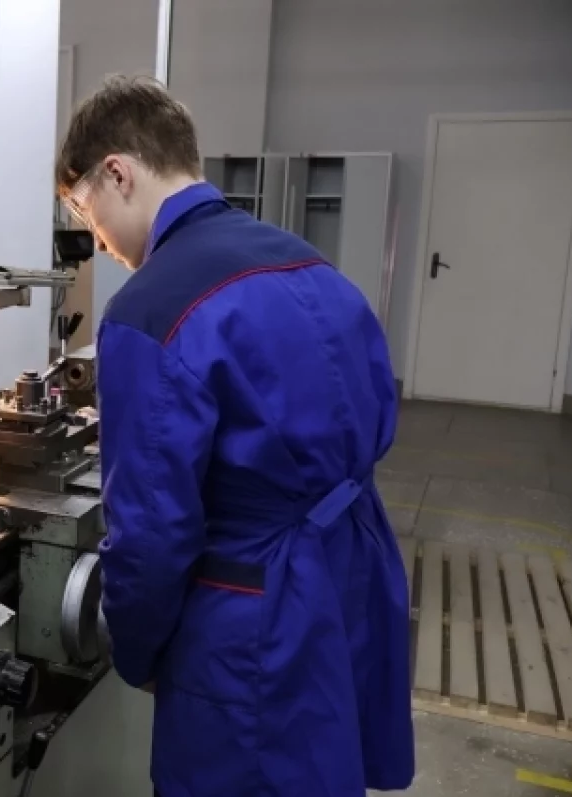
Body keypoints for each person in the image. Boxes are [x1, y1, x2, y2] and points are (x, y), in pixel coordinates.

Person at [56, 75, 414, 796]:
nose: (100, 243)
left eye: (89, 217)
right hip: (348, 573)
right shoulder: (307, 263)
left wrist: (135, 650)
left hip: (252, 616)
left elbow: (152, 535)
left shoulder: (150, 308)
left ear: (118, 173)